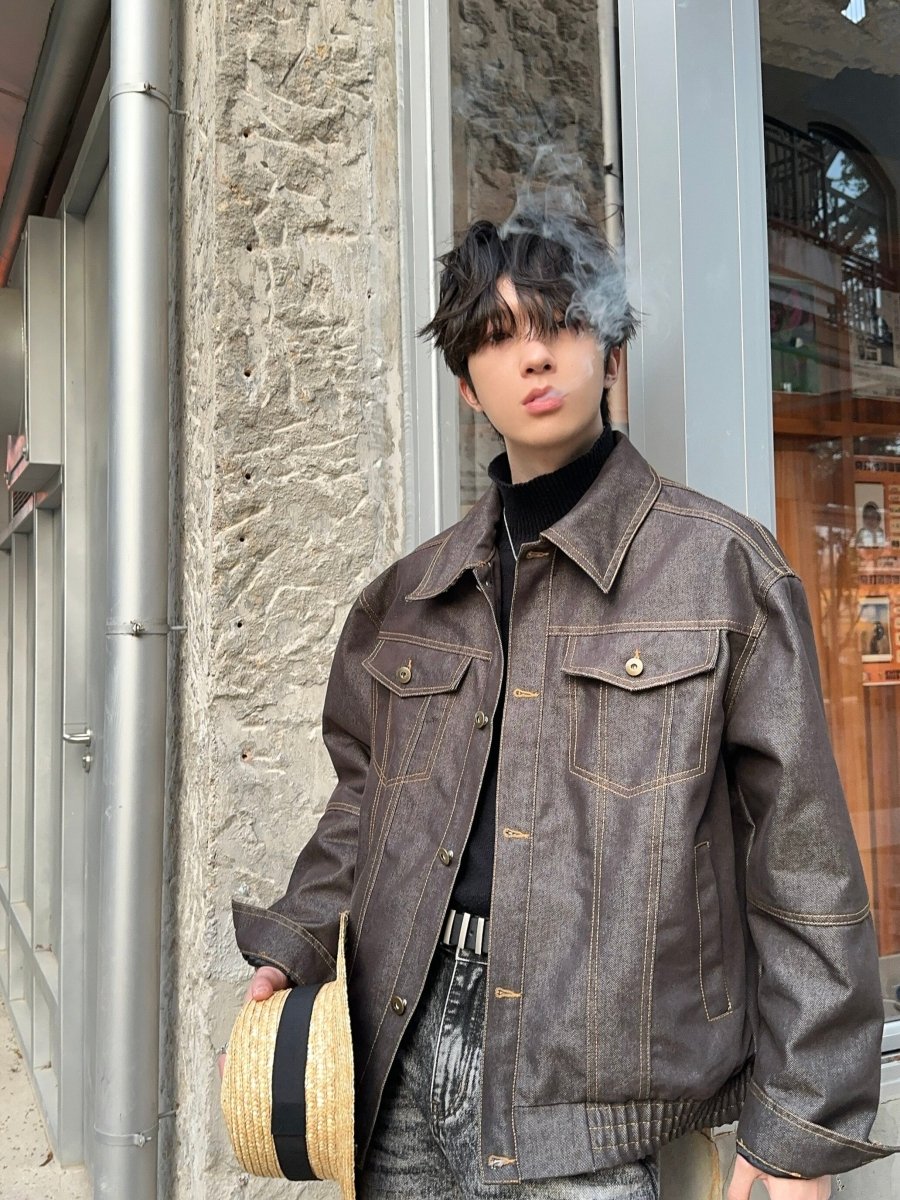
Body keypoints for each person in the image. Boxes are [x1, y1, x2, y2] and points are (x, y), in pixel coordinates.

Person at [223, 213, 896, 1199]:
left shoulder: (722, 570)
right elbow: (364, 801)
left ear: (612, 350)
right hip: (398, 1040)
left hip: (594, 1081)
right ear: (467, 385)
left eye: (561, 324)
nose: (533, 357)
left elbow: (800, 855)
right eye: (498, 338)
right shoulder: (407, 595)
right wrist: (296, 939)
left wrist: (801, 1122)